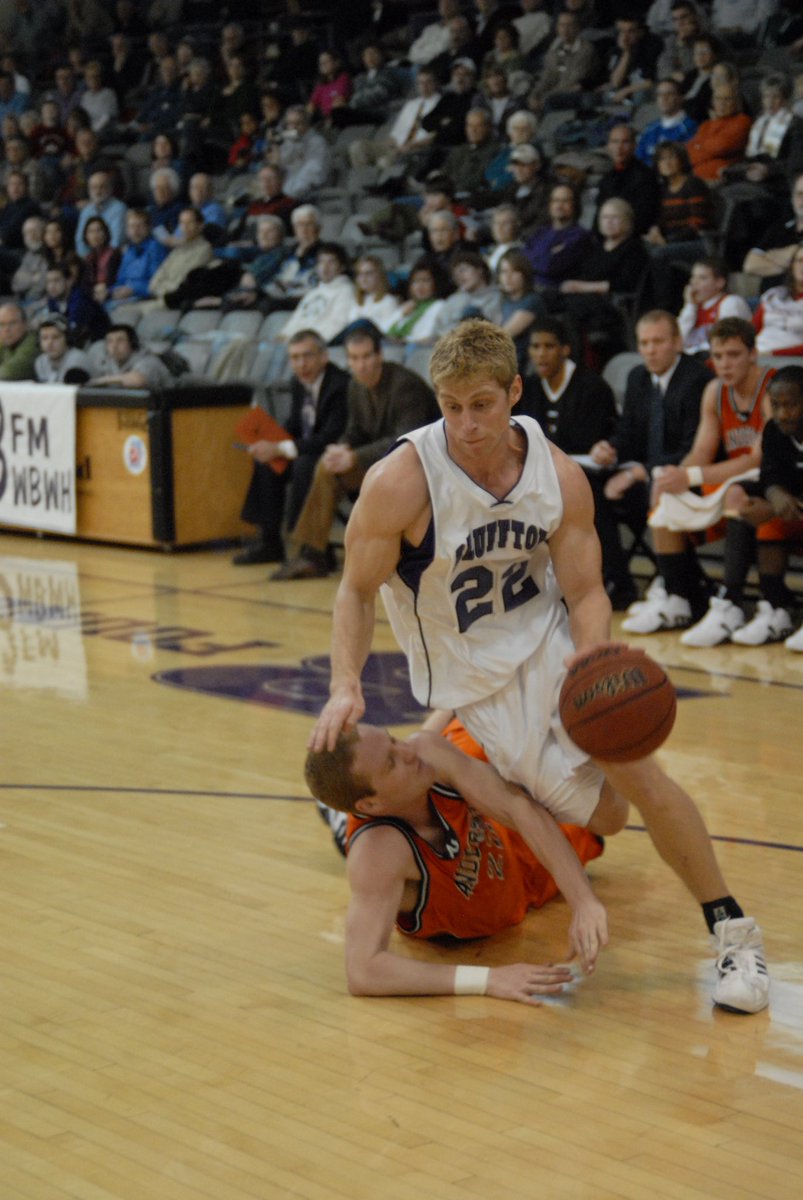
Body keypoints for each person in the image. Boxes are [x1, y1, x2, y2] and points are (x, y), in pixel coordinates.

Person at [309, 319, 769, 1015]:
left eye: (482, 405)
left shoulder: (553, 473)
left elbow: (585, 591)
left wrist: (591, 671)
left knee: (635, 767)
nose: (465, 424)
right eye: (450, 406)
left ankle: (732, 930)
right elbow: (354, 591)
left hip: (548, 642)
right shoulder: (401, 482)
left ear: (513, 391)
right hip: (478, 685)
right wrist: (345, 682)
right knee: (608, 818)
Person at [305, 718, 606, 999]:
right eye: (391, 762)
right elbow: (363, 972)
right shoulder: (378, 852)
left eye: (393, 740)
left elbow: (518, 808)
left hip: (516, 853)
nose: (407, 751)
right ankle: (338, 817)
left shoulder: (427, 751)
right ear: (370, 802)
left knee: (604, 807)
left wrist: (584, 901)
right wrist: (487, 980)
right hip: (510, 889)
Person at [645, 317, 775, 646]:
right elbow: (700, 452)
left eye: (733, 355)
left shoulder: (772, 389)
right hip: (733, 479)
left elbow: (757, 459)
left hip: (771, 483)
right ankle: (676, 596)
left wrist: (690, 475)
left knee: (734, 492)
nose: (725, 364)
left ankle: (730, 603)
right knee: (666, 496)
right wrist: (674, 477)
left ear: (753, 354)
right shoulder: (714, 391)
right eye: (718, 356)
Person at [273, 325, 438, 581]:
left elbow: (405, 441)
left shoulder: (405, 386)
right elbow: (355, 430)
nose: (361, 365)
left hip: (416, 466)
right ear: (348, 360)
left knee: (331, 467)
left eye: (367, 357)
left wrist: (355, 457)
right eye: (354, 358)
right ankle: (313, 554)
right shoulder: (355, 386)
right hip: (381, 463)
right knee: (326, 466)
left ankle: (313, 553)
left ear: (379, 355)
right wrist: (342, 447)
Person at [591, 310, 714, 630]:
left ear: (677, 342)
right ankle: (621, 583)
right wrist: (610, 449)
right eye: (644, 343)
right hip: (649, 472)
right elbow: (629, 433)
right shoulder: (637, 377)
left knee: (655, 485)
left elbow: (692, 448)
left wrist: (638, 472)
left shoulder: (696, 379)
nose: (650, 350)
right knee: (593, 488)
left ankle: (676, 588)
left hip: (688, 474)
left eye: (658, 342)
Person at [519, 316, 628, 606]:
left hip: (593, 473)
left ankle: (614, 579)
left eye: (548, 346)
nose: (540, 353)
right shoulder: (528, 387)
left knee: (582, 492)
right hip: (544, 473)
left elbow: (601, 443)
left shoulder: (591, 387)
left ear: (565, 349)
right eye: (535, 346)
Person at [234, 329, 349, 567]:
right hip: (307, 449)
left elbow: (331, 436)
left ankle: (312, 547)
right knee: (267, 461)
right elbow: (295, 425)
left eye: (307, 356)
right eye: (295, 358)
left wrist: (281, 447)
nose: (301, 364)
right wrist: (270, 442)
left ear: (324, 357)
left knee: (304, 464)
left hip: (335, 452)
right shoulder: (298, 383)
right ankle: (269, 542)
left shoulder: (340, 385)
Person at [744, 365, 803, 652]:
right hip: (794, 513)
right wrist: (775, 493)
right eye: (776, 405)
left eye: (791, 405)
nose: (782, 413)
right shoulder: (774, 431)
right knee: (762, 520)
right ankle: (776, 609)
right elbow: (769, 473)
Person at [678, 256, 752, 355]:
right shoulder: (694, 308)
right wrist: (690, 305)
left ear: (719, 283)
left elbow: (727, 342)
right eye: (693, 277)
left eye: (702, 278)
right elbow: (676, 340)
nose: (694, 283)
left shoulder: (731, 303)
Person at [89, 322, 173, 389]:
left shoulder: (148, 359)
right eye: (110, 341)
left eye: (120, 340)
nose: (114, 346)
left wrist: (102, 380)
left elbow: (138, 380)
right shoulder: (107, 362)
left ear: (132, 343)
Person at [635, 77, 698, 166]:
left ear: (680, 97)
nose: (664, 98)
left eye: (669, 94)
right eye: (660, 94)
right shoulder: (649, 129)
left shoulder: (690, 128)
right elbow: (638, 159)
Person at [754, 246, 803, 357]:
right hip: (757, 354)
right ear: (792, 266)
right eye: (800, 260)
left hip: (791, 362)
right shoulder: (773, 295)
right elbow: (751, 331)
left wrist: (772, 354)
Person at [33, 313, 92, 383]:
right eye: (44, 338)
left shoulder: (77, 359)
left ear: (67, 339)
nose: (49, 343)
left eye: (56, 337)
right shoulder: (40, 361)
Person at [0, 300, 38, 379]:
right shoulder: (4, 342)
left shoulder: (33, 343)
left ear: (25, 324)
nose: (7, 329)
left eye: (12, 323)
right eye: (2, 324)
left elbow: (8, 372)